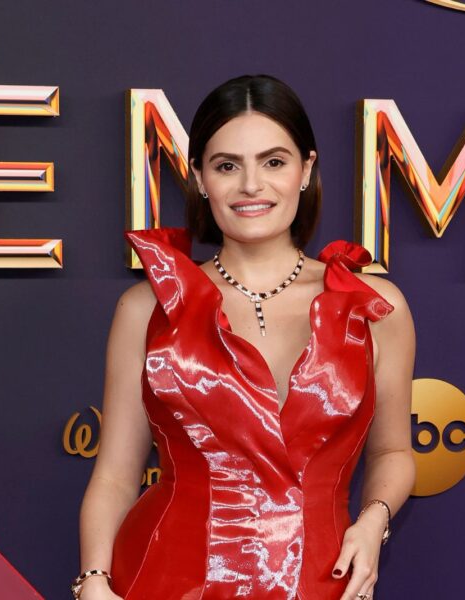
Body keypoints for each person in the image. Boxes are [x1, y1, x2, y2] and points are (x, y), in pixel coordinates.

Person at [76, 74, 416, 600]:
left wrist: (373, 521)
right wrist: (95, 583)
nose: (251, 185)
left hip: (322, 580)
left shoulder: (375, 307)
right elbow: (117, 477)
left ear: (306, 170)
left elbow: (394, 451)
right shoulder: (147, 307)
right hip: (167, 578)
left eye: (274, 162)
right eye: (227, 165)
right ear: (200, 178)